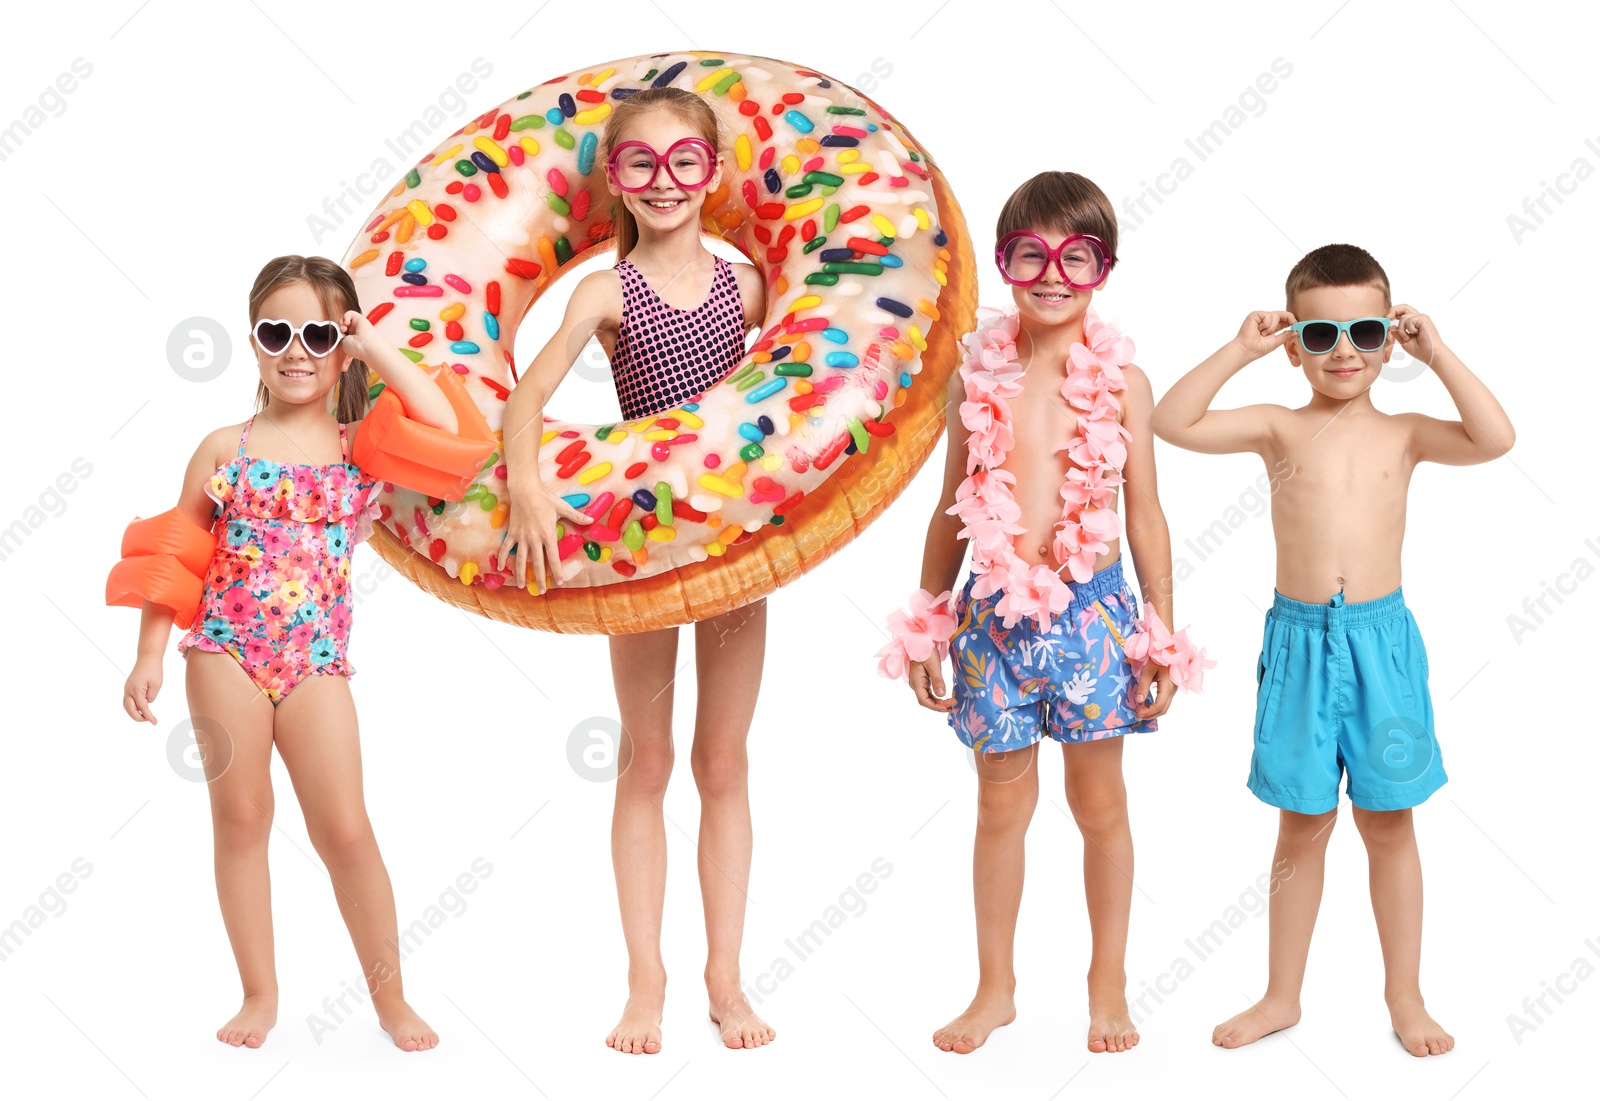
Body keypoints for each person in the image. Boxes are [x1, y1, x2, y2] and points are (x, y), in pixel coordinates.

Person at [1152, 242, 1515, 1056]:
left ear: (1391, 339)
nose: (1343, 350)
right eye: (1320, 335)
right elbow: (1170, 420)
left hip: (1382, 647)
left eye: (1363, 331)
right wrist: (1240, 347)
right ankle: (1282, 995)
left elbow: (1496, 437)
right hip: (1300, 646)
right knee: (1301, 825)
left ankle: (1406, 995)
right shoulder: (1279, 427)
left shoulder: (1410, 432)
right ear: (1294, 348)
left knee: (1390, 824)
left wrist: (1441, 352)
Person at [878, 171, 1207, 1055]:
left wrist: (1161, 637)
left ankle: (1108, 986)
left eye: (1077, 256)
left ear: (1104, 268)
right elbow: (952, 500)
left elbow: (1145, 516)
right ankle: (996, 988)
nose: (1052, 272)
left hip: (1096, 622)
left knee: (1099, 805)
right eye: (1032, 253)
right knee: (998, 810)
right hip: (992, 623)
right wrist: (926, 620)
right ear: (1004, 262)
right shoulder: (974, 379)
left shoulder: (1125, 382)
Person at [115, 255, 464, 1050]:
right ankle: (260, 992)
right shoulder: (220, 447)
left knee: (344, 828)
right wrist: (147, 652)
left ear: (339, 347)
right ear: (253, 342)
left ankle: (390, 998)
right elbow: (179, 552)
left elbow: (444, 425)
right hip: (225, 651)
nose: (295, 349)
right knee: (241, 818)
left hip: (316, 660)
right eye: (277, 331)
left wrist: (372, 347)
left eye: (316, 333)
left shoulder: (361, 446)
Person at [501, 88, 772, 1053]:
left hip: (738, 544)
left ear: (714, 174)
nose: (665, 184)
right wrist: (530, 489)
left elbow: (821, 371)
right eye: (641, 165)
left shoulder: (751, 288)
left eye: (684, 163)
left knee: (724, 760)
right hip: (642, 544)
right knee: (648, 759)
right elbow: (525, 392)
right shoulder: (607, 293)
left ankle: (726, 979)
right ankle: (645, 980)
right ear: (615, 179)